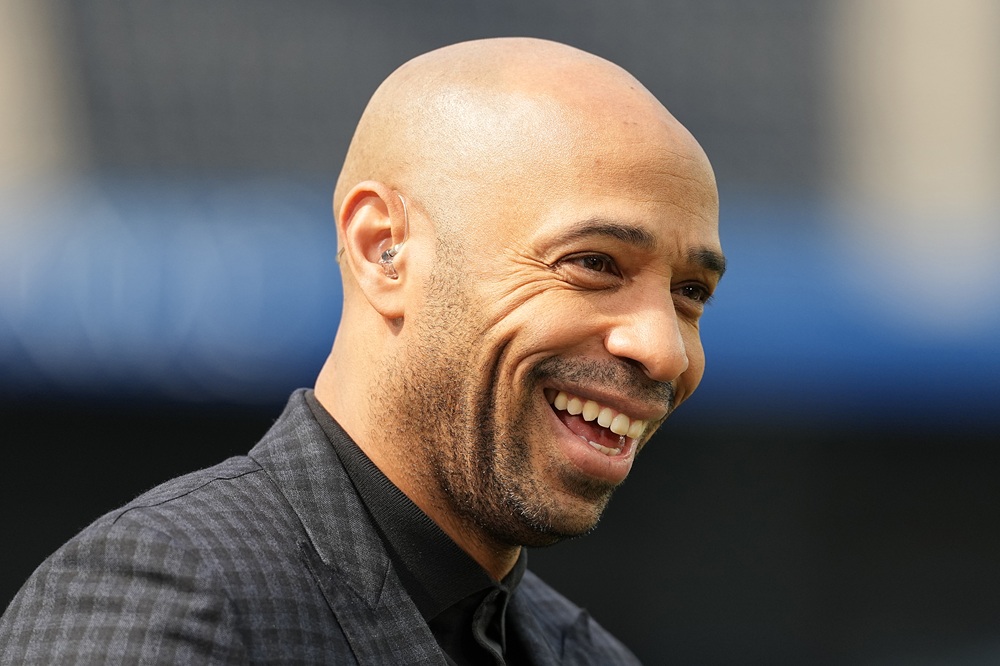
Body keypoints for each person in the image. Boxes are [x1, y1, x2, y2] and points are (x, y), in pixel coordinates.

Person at [0, 37, 724, 664]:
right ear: (385, 250)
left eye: (690, 293)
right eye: (594, 264)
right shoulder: (173, 602)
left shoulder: (588, 655)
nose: (662, 349)